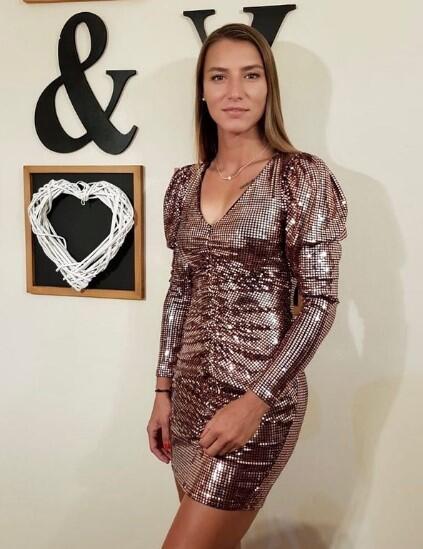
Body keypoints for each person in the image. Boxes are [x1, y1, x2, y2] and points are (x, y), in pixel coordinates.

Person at [147, 22, 348, 549]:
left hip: (259, 401)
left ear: (268, 87)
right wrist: (163, 391)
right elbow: (179, 293)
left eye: (250, 76)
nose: (234, 91)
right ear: (202, 90)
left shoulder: (300, 177)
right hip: (188, 400)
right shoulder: (184, 184)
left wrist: (256, 400)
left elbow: (320, 302)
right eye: (219, 77)